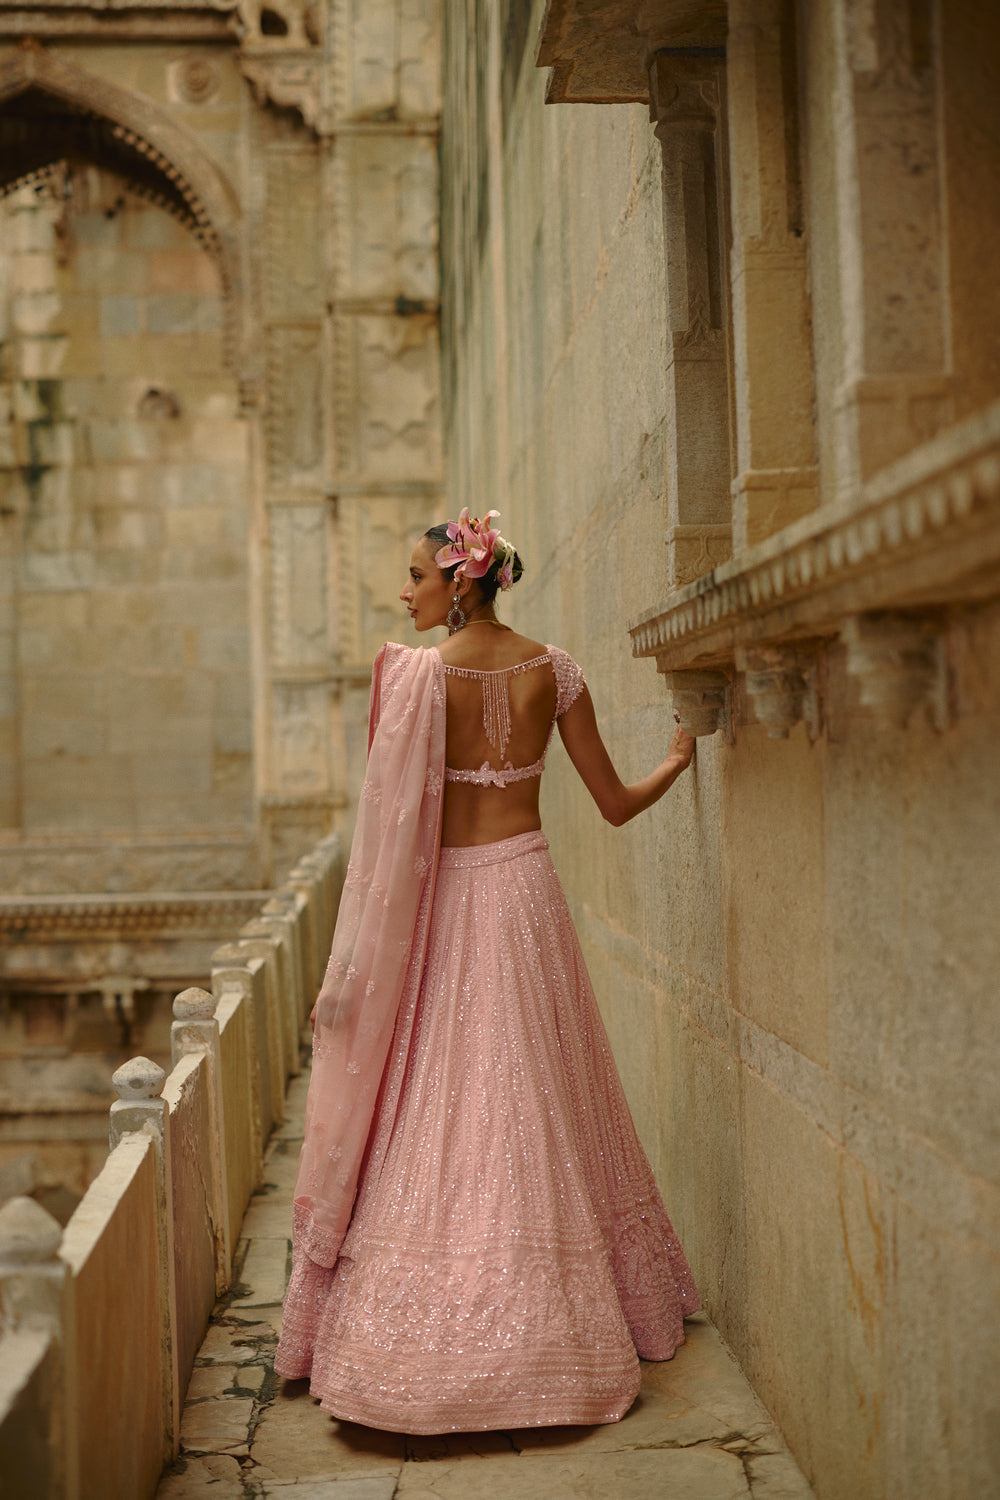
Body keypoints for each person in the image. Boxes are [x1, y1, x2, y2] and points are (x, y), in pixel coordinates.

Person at [274, 510, 700, 1434]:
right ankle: (576, 1310)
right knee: (541, 1087)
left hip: (451, 910)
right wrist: (674, 758)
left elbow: (389, 840)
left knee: (449, 1095)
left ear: (460, 581)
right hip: (528, 897)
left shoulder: (418, 678)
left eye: (418, 575)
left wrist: (359, 958)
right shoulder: (559, 669)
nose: (406, 591)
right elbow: (617, 806)